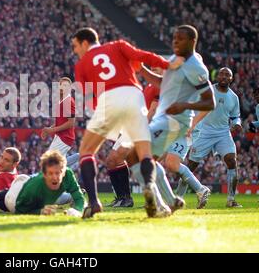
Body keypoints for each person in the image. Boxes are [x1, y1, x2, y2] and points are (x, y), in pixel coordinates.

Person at [71, 27, 183, 218]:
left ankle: (93, 202)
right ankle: (148, 187)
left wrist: (102, 115)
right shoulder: (118, 46)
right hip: (134, 96)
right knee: (144, 153)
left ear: (84, 42)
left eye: (75, 46)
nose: (75, 50)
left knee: (86, 152)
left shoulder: (81, 65)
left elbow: (87, 96)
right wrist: (167, 65)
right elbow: (143, 56)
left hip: (108, 100)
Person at [125, 25, 215, 212]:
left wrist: (185, 105)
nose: (175, 41)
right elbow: (161, 84)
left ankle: (158, 204)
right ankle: (169, 202)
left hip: (175, 120)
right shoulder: (174, 60)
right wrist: (141, 69)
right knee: (145, 159)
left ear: (192, 42)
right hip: (163, 118)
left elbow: (210, 102)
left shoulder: (196, 67)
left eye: (180, 38)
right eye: (174, 37)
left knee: (136, 155)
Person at [176, 67, 243, 208]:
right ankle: (178, 198)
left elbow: (235, 116)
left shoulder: (234, 97)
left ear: (231, 79)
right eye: (222, 74)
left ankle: (231, 199)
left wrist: (237, 123)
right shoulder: (208, 90)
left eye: (227, 75)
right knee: (191, 165)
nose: (224, 77)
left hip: (223, 133)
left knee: (232, 161)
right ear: (217, 76)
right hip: (203, 132)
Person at [105, 67, 163, 208]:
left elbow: (153, 109)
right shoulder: (148, 86)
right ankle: (122, 198)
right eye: (152, 67)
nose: (153, 68)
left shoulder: (160, 86)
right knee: (111, 161)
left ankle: (147, 198)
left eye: (157, 67)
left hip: (140, 127)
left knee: (122, 158)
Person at [0, 150, 86, 217]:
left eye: (58, 173)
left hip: (22, 183)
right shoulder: (36, 187)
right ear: (44, 173)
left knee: (8, 193)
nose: (55, 177)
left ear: (63, 170)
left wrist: (78, 210)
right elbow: (21, 208)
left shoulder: (68, 174)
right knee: (9, 201)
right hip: (17, 198)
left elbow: (78, 195)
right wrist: (40, 212)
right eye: (51, 173)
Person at [41, 77, 76, 157]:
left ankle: (75, 158)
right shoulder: (62, 100)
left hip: (65, 137)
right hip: (60, 136)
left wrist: (52, 130)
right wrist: (49, 129)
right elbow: (60, 121)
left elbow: (71, 123)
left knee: (50, 160)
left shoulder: (68, 101)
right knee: (53, 161)